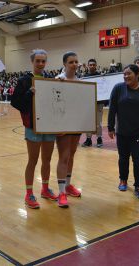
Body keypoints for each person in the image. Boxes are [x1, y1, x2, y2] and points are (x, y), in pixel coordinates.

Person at [11, 49, 57, 209]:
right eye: (38, 61)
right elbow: (15, 102)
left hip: (49, 126)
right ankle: (29, 193)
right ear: (32, 62)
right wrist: (29, 94)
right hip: (33, 125)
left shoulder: (50, 79)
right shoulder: (24, 80)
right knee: (33, 160)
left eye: (43, 61)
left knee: (47, 160)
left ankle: (45, 189)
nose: (41, 64)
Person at [108, 64, 139, 199]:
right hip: (122, 132)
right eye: (124, 74)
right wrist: (110, 127)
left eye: (129, 74)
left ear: (137, 75)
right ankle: (123, 180)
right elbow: (112, 108)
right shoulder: (118, 88)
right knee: (123, 158)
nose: (126, 76)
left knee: (138, 160)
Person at [55, 51, 83, 208]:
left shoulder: (80, 81)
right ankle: (61, 193)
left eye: (76, 61)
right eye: (71, 62)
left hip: (76, 124)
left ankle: (68, 185)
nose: (74, 64)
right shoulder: (59, 80)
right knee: (64, 157)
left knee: (71, 155)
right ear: (64, 64)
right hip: (63, 125)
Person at [82, 59, 105, 148]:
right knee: (88, 121)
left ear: (96, 66)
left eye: (93, 65)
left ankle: (99, 138)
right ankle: (88, 139)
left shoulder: (101, 76)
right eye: (90, 65)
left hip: (99, 102)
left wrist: (104, 78)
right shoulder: (85, 77)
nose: (92, 66)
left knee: (98, 122)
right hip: (88, 103)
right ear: (88, 66)